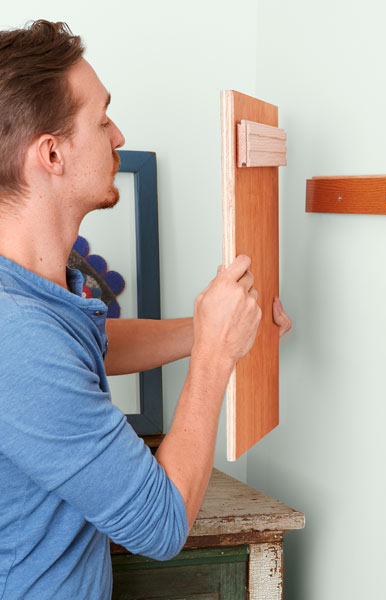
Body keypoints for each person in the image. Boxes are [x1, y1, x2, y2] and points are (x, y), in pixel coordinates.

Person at [0, 19, 292, 600]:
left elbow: (94, 349)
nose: (117, 134)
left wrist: (211, 329)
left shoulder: (34, 297)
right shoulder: (17, 336)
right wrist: (213, 355)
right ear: (51, 153)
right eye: (102, 119)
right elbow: (161, 525)